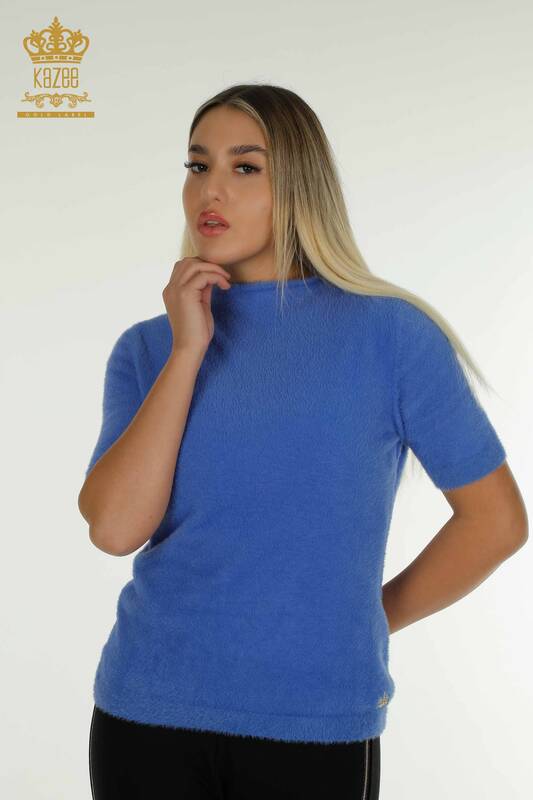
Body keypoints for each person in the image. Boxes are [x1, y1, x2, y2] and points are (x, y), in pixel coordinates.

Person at [79, 84, 528, 799]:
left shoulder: (390, 336)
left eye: (244, 166)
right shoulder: (147, 349)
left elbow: (496, 522)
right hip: (146, 712)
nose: (210, 190)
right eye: (197, 166)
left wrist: (364, 621)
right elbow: (114, 529)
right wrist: (188, 350)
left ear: (300, 185)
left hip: (315, 722)